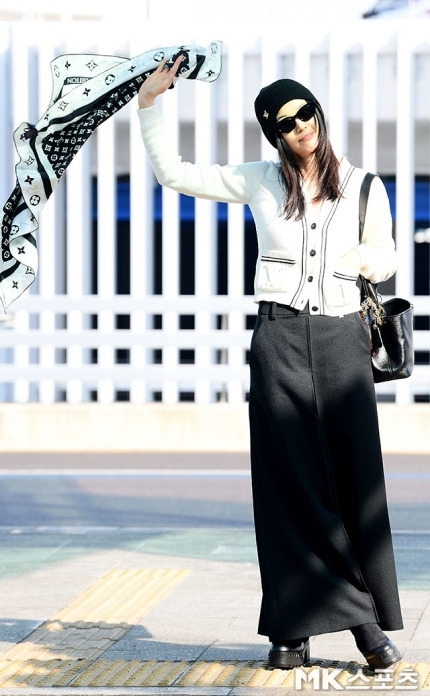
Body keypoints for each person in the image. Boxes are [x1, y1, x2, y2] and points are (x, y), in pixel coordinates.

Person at [137, 55, 404, 672]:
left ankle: (344, 621)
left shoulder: (365, 185)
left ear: (318, 114)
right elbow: (174, 174)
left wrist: (368, 260)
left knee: (350, 482)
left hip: (342, 342)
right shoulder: (260, 180)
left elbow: (388, 253)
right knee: (288, 488)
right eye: (285, 122)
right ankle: (305, 628)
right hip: (278, 340)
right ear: (274, 133)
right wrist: (150, 104)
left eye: (305, 112)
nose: (300, 125)